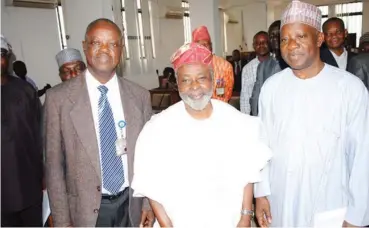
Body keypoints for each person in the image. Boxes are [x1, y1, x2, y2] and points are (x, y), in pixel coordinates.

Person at [131, 42, 272, 227]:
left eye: (201, 78)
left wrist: (245, 216)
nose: (194, 86)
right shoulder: (158, 128)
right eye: (186, 80)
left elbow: (248, 171)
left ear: (212, 79)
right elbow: (150, 182)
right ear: (177, 84)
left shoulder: (235, 121)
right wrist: (166, 224)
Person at [254, 1, 369, 227]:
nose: (291, 45)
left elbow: (363, 156)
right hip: (281, 199)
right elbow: (262, 144)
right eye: (285, 39)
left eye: (301, 37)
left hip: (331, 203)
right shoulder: (272, 87)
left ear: (318, 39)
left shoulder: (350, 88)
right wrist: (261, 193)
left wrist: (356, 216)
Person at [45, 18, 154, 227]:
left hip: (130, 205)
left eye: (113, 44)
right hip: (85, 212)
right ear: (85, 47)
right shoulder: (58, 99)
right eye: (97, 42)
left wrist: (148, 204)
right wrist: (62, 221)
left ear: (121, 50)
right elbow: (54, 168)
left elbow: (147, 157)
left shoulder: (139, 96)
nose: (105, 49)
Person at [1, 36, 43, 226]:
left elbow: (40, 135)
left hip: (29, 187)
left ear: (7, 58)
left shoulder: (25, 90)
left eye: (0, 54)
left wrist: (45, 175)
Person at [249, 20, 288, 116]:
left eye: (278, 35)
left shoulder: (293, 64)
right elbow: (255, 97)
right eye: (271, 36)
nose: (275, 38)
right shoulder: (262, 66)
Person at [192, 26, 234, 102]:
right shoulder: (190, 68)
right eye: (199, 46)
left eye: (205, 45)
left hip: (219, 109)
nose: (202, 49)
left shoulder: (225, 66)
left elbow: (227, 94)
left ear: (211, 46)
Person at [240, 31, 270, 114]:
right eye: (258, 43)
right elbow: (245, 96)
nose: (261, 45)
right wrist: (245, 119)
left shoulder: (277, 64)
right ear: (254, 46)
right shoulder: (247, 69)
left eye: (264, 42)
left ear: (269, 43)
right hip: (255, 114)